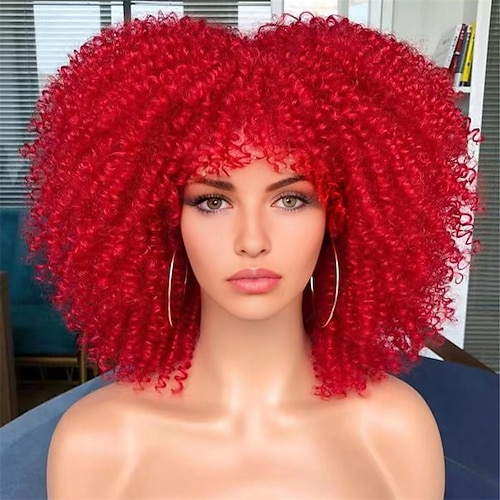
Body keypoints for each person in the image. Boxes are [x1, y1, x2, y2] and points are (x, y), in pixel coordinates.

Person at [20, 12, 481, 499]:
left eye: (291, 199)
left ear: (342, 216)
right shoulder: (98, 445)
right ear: (163, 220)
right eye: (212, 202)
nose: (253, 239)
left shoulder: (395, 432)